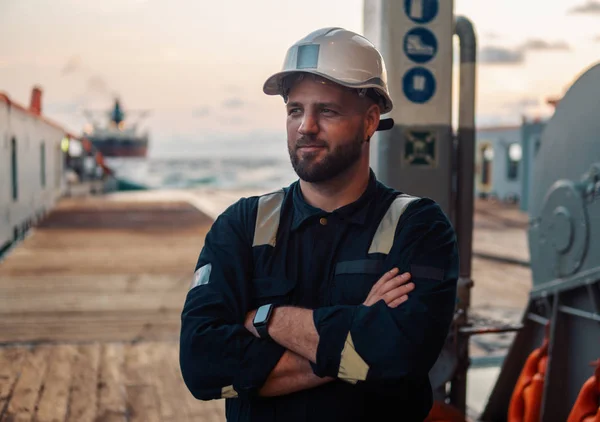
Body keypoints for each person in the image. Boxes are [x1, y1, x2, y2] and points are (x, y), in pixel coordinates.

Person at [180, 27, 459, 421]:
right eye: (295, 110)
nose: (305, 126)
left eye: (326, 110)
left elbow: (399, 357)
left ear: (370, 121)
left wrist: (264, 318)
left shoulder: (419, 227)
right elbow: (201, 364)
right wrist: (357, 335)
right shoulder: (242, 225)